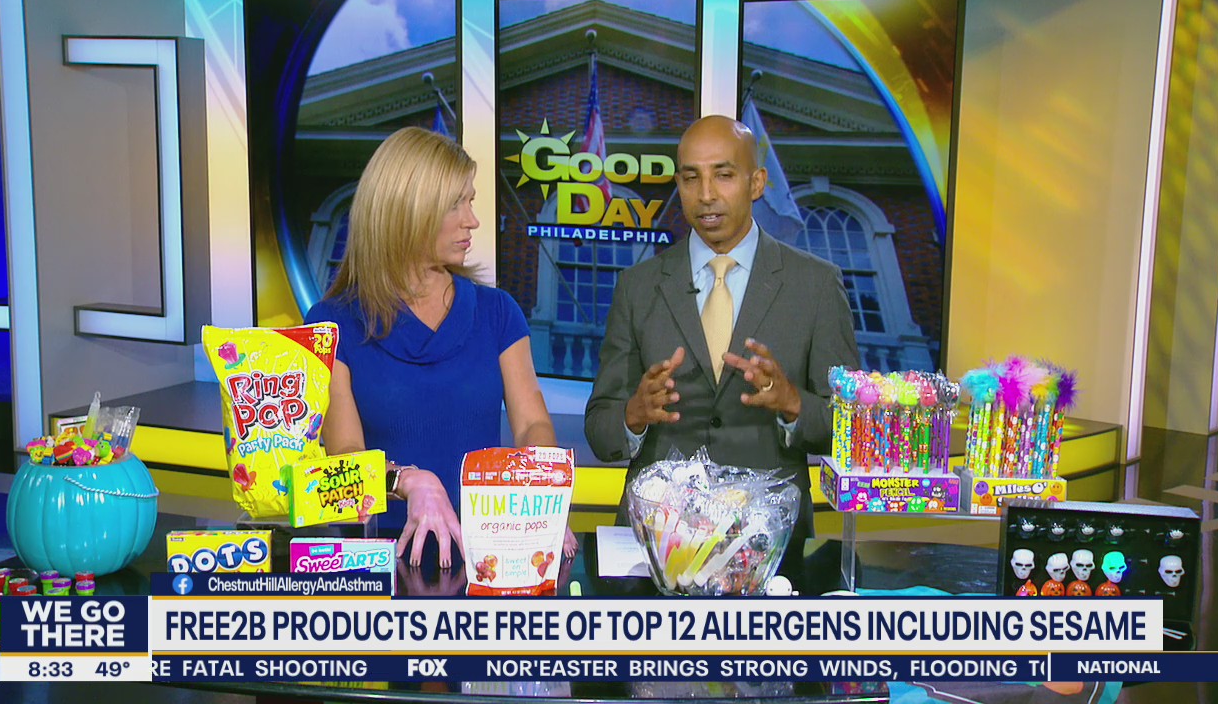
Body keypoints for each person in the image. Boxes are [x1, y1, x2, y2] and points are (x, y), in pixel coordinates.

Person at [584, 115, 860, 554]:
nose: (706, 194)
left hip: (769, 547)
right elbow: (600, 430)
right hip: (656, 545)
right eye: (691, 177)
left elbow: (851, 429)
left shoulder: (816, 285)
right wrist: (633, 415)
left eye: (724, 175)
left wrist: (792, 403)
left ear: (757, 183)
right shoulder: (637, 286)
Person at [306, 127, 574, 568]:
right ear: (407, 211)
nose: (473, 220)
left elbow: (532, 425)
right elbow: (344, 458)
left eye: (471, 201)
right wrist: (407, 481)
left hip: (484, 558)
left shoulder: (498, 312)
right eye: (456, 204)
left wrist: (545, 493)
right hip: (381, 558)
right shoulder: (332, 324)